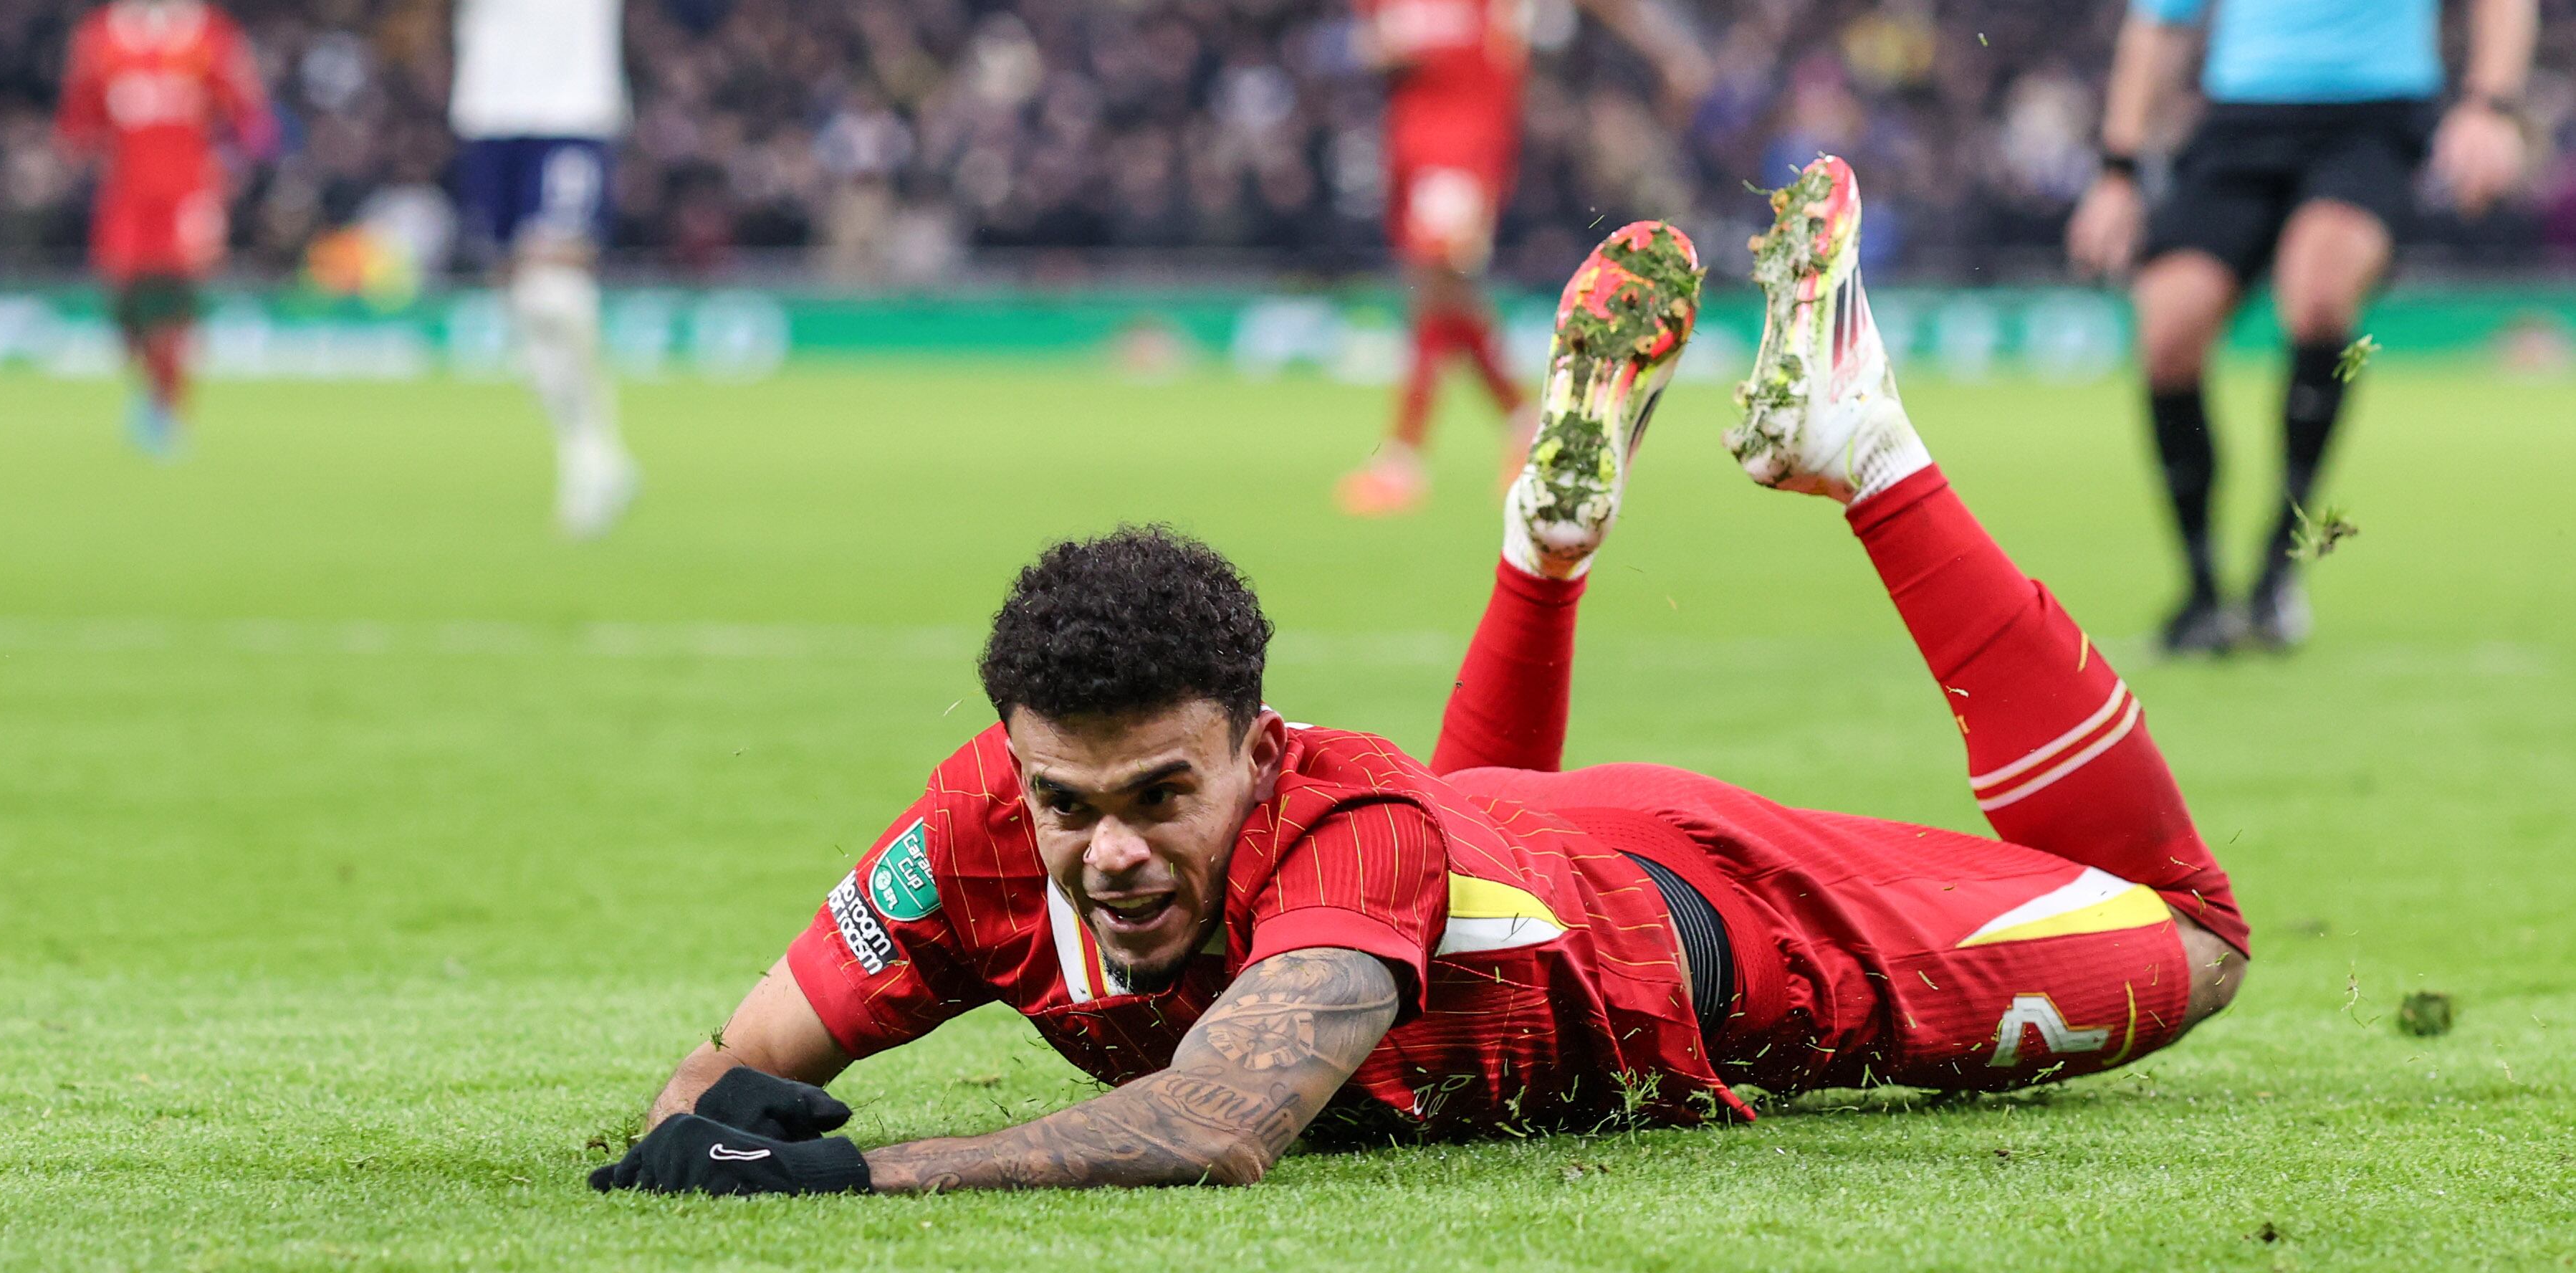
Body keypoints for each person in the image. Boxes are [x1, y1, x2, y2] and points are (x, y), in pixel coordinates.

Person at [593, 159, 2249, 1200]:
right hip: (1493, 842)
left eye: (1160, 796)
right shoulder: (969, 834)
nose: (1103, 851)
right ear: (1007, 768)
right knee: (1459, 844)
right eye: (1064, 804)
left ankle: (1864, 450)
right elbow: (740, 1058)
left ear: (1255, 750)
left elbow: (1210, 1127)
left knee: (2189, 941)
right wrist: (690, 1131)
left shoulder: (1349, 819)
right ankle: (1540, 544)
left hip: (1717, 924)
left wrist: (856, 1179)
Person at [2067, 0, 2535, 653]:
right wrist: (2117, 171)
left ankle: (2275, 573)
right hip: (2239, 121)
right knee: (2166, 331)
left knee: (2318, 295)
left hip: (2372, 119)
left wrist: (2491, 104)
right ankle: (2201, 595)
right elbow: (2158, 25)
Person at [1335, 0, 1711, 518]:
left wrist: (1670, 52)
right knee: (1440, 291)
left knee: (1437, 282)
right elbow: (1371, 41)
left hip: (1466, 140)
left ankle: (1404, 458)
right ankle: (1524, 426)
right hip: (1407, 140)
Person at [451, 0, 641, 540]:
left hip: (569, 109)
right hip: (488, 111)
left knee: (553, 292)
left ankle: (591, 460)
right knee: (524, 307)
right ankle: (594, 454)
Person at [55, 0, 277, 457]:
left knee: (173, 306)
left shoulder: (210, 35)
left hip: (186, 193)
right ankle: (152, 389)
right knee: (125, 306)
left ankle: (168, 410)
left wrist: (241, 161)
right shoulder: (100, 37)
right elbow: (80, 117)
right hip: (126, 195)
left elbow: (247, 111)